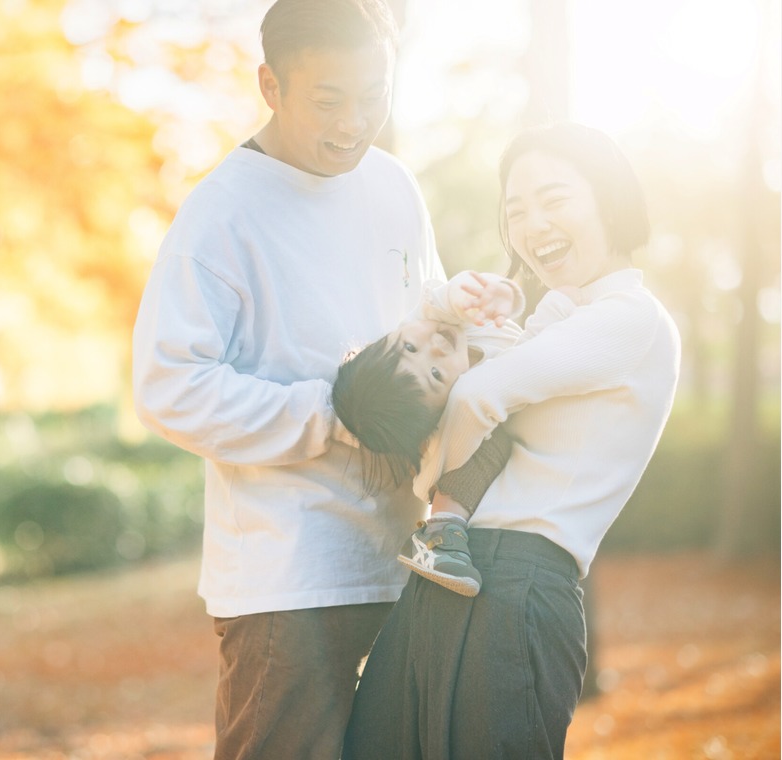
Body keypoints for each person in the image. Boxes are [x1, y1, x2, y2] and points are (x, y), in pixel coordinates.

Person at [131, 1, 443, 757]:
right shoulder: (220, 214)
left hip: (407, 559)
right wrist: (332, 415)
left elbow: (432, 329)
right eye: (329, 100)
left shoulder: (393, 186)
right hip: (289, 582)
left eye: (375, 95)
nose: (354, 123)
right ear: (271, 85)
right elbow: (168, 385)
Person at [341, 121, 682, 760]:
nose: (532, 224)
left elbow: (474, 396)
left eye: (554, 199)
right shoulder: (559, 315)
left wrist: (430, 486)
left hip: (518, 582)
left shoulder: (630, 320)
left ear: (607, 196)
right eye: (516, 209)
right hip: (450, 568)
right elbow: (462, 369)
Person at [332, 270, 527, 598]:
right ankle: (441, 533)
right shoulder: (459, 407)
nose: (434, 348)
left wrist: (477, 295)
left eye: (409, 346)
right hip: (455, 465)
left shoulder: (439, 317)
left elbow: (441, 300)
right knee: (488, 447)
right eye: (435, 375)